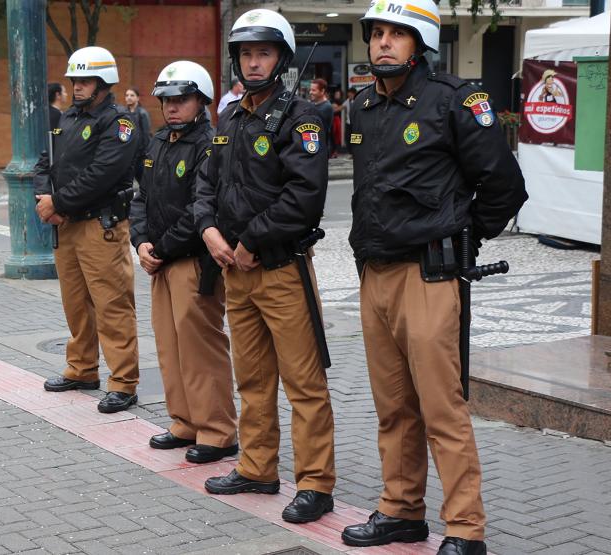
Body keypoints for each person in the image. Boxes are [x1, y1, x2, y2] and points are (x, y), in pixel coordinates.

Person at [341, 1, 527, 554]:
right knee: (392, 406)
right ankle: (401, 511)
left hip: (428, 275)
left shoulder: (455, 101)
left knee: (441, 407)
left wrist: (463, 236)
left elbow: (503, 186)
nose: (382, 43)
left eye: (396, 34)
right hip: (375, 275)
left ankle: (466, 530)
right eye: (376, 33)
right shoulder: (365, 105)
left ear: (419, 42)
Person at [195, 8, 336, 524]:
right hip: (235, 272)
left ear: (281, 58)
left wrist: (252, 240)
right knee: (251, 379)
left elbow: (305, 195)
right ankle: (256, 468)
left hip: (280, 270)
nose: (253, 63)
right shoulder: (230, 117)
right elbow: (206, 184)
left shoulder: (301, 117)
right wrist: (208, 230)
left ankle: (316, 485)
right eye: (246, 54)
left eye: (264, 53)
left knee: (304, 383)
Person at [129, 60, 239, 463]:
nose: (172, 107)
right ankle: (185, 421)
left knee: (201, 348)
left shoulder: (210, 145)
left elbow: (201, 208)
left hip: (192, 261)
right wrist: (140, 241)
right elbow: (140, 198)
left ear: (202, 101)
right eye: (167, 100)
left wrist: (160, 249)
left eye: (182, 99)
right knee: (169, 347)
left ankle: (218, 430)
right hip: (161, 261)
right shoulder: (159, 142)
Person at [34, 46, 141, 414]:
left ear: (103, 83)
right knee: (76, 303)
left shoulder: (119, 122)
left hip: (100, 225)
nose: (77, 86)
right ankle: (82, 368)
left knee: (112, 305)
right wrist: (44, 197)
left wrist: (58, 204)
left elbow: (103, 173)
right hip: (67, 226)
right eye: (75, 80)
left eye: (85, 80)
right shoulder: (67, 119)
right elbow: (45, 162)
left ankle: (124, 383)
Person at [125, 87, 152, 180]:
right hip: (128, 154)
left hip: (140, 155)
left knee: (143, 180)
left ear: (137, 98)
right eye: (127, 95)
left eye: (132, 95)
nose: (129, 97)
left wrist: (144, 153)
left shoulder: (142, 113)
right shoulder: (123, 114)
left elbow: (146, 135)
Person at [308, 79, 333, 156]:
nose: (310, 92)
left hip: (321, 148)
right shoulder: (313, 104)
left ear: (322, 91)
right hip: (313, 145)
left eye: (313, 90)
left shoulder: (326, 107)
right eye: (310, 90)